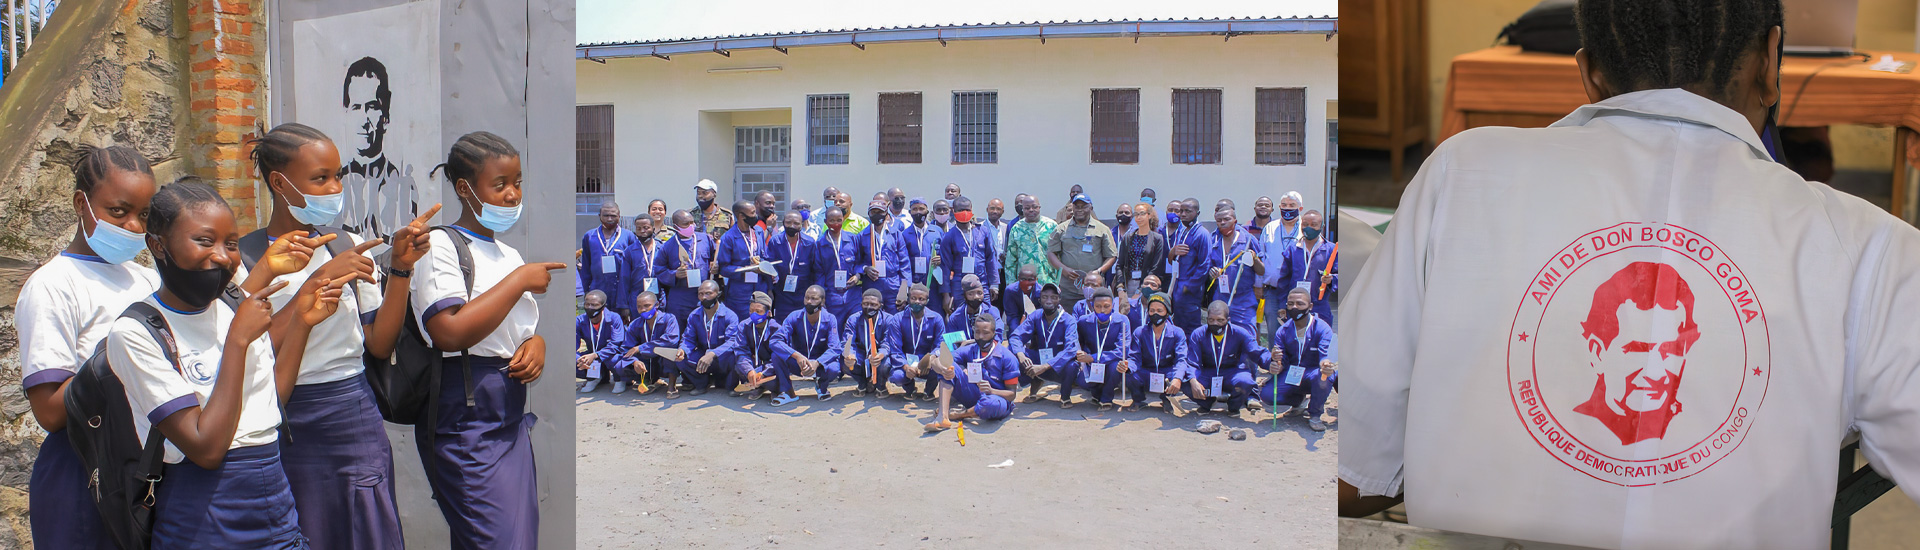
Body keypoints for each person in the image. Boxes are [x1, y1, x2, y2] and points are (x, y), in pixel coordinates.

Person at [1340, 2, 1920, 546]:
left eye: (1672, 347)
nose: (1658, 368)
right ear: (1771, 64)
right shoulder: (1867, 247)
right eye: (1639, 346)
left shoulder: (1461, 174)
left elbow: (1356, 471)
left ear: (1590, 74)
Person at [107, 180, 341, 547]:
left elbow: (271, 402)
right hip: (203, 512)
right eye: (204, 241)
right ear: (158, 245)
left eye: (231, 244)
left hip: (274, 498)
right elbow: (207, 449)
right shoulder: (136, 332)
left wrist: (301, 324)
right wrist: (237, 341)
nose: (221, 256)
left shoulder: (235, 304)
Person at [243, 124, 434, 548]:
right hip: (282, 418)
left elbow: (379, 343)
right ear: (280, 183)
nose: (334, 188)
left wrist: (401, 268)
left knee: (366, 526)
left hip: (352, 413)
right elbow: (247, 348)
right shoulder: (248, 259)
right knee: (301, 527)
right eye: (320, 178)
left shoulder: (346, 244)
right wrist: (317, 283)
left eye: (337, 176)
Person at [410, 132, 557, 547]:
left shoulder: (508, 254)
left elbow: (513, 330)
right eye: (500, 184)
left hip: (507, 415)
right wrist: (520, 281)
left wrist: (536, 344)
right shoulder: (441, 246)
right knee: (496, 540)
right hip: (465, 418)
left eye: (517, 182)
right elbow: (448, 331)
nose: (513, 194)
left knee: (513, 539)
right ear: (465, 188)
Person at [18, 145, 161, 549]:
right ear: (82, 204)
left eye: (144, 215)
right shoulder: (53, 285)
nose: (133, 226)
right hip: (84, 472)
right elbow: (49, 411)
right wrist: (119, 358)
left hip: (143, 466)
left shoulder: (147, 280)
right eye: (118, 211)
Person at [341, 56, 417, 240]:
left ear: (386, 115)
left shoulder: (402, 186)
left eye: (372, 107)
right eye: (356, 107)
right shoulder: (335, 184)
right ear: (346, 113)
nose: (364, 120)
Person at [920, 313, 1022, 433]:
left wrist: (991, 390)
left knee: (990, 404)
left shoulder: (1007, 357)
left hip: (996, 399)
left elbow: (1011, 394)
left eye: (985, 333)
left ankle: (960, 415)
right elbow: (939, 360)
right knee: (949, 366)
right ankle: (943, 417)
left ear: (994, 333)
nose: (981, 336)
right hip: (973, 394)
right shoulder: (970, 349)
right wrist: (943, 370)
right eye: (977, 332)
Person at [1260, 287, 1334, 431]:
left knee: (1324, 376)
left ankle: (1315, 414)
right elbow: (1281, 360)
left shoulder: (1322, 328)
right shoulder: (1283, 331)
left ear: (1310, 306)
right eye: (1290, 304)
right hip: (1292, 373)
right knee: (1267, 395)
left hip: (1313, 372)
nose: (1294, 307)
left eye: (1300, 304)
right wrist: (1276, 364)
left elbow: (1325, 355)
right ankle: (1299, 401)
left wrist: (1325, 364)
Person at [1183, 301, 1266, 416]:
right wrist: (1193, 380)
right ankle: (1207, 402)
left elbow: (1256, 351)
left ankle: (1234, 406)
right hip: (1208, 373)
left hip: (1232, 372)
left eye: (1220, 320)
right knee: (1185, 381)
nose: (1215, 323)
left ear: (1228, 320)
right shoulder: (1198, 334)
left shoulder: (1240, 333)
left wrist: (1271, 361)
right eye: (1211, 320)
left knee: (1245, 381)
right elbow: (1192, 362)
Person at [1010, 283, 1082, 407]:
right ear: (1039, 300)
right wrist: (1021, 355)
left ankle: (1065, 397)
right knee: (1012, 351)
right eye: (1045, 297)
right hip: (1039, 359)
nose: (1049, 301)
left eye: (1053, 297)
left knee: (1072, 365)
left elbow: (1070, 349)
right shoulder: (1035, 315)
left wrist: (1044, 367)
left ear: (1059, 300)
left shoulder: (1069, 320)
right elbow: (1016, 337)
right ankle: (1032, 385)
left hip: (1059, 365)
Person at [1046, 193, 1117, 312]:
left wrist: (1098, 272)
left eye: (1084, 206)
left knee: (1094, 317)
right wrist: (1064, 269)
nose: (1080, 210)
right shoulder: (1061, 229)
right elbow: (1051, 253)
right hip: (1068, 288)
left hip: (1094, 287)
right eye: (1077, 206)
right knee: (1068, 318)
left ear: (1091, 208)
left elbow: (1112, 256)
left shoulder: (1102, 229)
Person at [772, 285, 844, 401]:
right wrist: (797, 356)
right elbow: (775, 341)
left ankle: (822, 387)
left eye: (814, 298)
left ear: (822, 301)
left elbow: (835, 348)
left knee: (834, 368)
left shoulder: (830, 319)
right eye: (807, 298)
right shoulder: (794, 316)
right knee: (776, 355)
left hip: (819, 365)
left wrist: (817, 362)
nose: (809, 302)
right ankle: (788, 392)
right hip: (799, 364)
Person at [1128, 293, 1188, 413]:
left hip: (1167, 372)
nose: (1155, 314)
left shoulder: (1177, 332)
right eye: (1152, 310)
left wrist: (1177, 378)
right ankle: (1138, 400)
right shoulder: (1140, 332)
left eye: (1160, 310)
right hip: (1146, 371)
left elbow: (1181, 359)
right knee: (1129, 374)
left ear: (1167, 312)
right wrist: (1127, 366)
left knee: (1182, 375)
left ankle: (1167, 399)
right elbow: (1134, 357)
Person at [1073, 288, 1132, 411]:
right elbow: (1079, 343)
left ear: (1113, 305)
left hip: (1112, 361)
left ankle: (1106, 398)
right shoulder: (1084, 321)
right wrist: (1081, 357)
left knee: (1116, 367)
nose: (1102, 310)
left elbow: (1123, 349)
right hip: (1091, 363)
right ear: (1092, 305)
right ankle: (1096, 393)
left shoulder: (1122, 320)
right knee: (1082, 380)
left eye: (1106, 306)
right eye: (1098, 306)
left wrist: (1093, 357)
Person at [1209, 206, 1265, 333]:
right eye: (1219, 220)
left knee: (1247, 336)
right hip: (1220, 297)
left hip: (1244, 300)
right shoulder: (1213, 240)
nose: (1223, 223)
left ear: (1235, 221)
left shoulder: (1248, 240)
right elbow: (1207, 267)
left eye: (1226, 219)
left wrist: (1254, 258)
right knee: (1220, 335)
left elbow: (1261, 271)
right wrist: (1212, 272)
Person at [581, 200, 640, 319]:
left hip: (620, 291)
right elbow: (586, 266)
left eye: (613, 215)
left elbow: (634, 266)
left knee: (620, 323)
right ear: (599, 216)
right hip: (598, 287)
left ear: (619, 216)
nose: (609, 219)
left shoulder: (628, 236)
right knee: (598, 322)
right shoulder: (590, 236)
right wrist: (586, 290)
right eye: (606, 215)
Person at [939, 196, 999, 312]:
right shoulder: (949, 236)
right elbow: (945, 267)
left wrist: (994, 284)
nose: (965, 213)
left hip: (981, 281)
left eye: (967, 210)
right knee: (961, 314)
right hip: (959, 284)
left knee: (985, 314)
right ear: (953, 211)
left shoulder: (983, 231)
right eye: (961, 210)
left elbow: (991, 259)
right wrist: (946, 295)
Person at [654, 209, 714, 325]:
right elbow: (659, 270)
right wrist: (674, 274)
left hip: (702, 294)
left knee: (702, 328)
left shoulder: (705, 239)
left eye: (692, 222)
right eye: (686, 224)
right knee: (679, 328)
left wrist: (714, 265)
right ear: (676, 227)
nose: (691, 226)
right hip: (680, 296)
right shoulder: (667, 246)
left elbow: (715, 257)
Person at [888, 284, 947, 401]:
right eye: (913, 298)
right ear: (908, 299)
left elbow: (941, 344)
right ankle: (910, 389)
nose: (917, 302)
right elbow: (895, 349)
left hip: (927, 363)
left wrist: (931, 358)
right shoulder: (897, 319)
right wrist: (905, 367)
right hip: (906, 361)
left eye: (921, 299)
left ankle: (929, 391)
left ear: (927, 301)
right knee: (897, 376)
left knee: (940, 367)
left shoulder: (936, 318)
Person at [678, 280, 738, 395]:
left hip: (722, 356)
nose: (704, 297)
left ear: (718, 294)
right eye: (700, 294)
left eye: (708, 293)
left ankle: (731, 386)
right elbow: (688, 338)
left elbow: (732, 341)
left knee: (736, 357)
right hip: (703, 355)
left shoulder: (730, 316)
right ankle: (702, 384)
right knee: (681, 359)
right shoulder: (694, 315)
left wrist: (712, 354)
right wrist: (682, 349)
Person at [1259, 191, 1304, 344]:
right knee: (1274, 333)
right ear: (1279, 207)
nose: (1287, 208)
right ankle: (1275, 359)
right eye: (1284, 205)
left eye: (1292, 205)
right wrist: (1259, 285)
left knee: (1298, 332)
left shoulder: (1306, 228)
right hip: (1272, 291)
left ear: (1300, 208)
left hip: (1298, 292)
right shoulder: (1270, 228)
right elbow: (1261, 257)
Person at [1165, 197, 1216, 329]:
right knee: (1177, 325)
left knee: (1190, 327)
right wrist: (1173, 252)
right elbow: (1174, 259)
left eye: (1187, 211)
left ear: (1197, 213)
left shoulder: (1202, 234)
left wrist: (1189, 287)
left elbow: (1204, 265)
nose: (1183, 214)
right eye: (1181, 211)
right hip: (1177, 285)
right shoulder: (1182, 231)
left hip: (1190, 290)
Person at [727, 292, 787, 403]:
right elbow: (741, 351)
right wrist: (749, 370)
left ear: (769, 313)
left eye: (758, 311)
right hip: (754, 365)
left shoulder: (777, 329)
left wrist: (764, 373)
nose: (754, 315)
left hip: (771, 368)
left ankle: (775, 390)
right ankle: (758, 387)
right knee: (740, 366)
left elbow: (780, 357)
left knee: (773, 378)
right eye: (751, 311)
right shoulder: (744, 326)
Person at [1279, 210, 1336, 325]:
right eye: (1305, 224)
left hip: (1319, 305)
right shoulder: (1293, 249)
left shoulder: (1331, 250)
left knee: (1320, 334)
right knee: (1296, 334)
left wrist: (1332, 279)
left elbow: (1341, 275)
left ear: (1322, 227)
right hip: (1295, 306)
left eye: (1313, 225)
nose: (1308, 228)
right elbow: (1284, 279)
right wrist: (1282, 305)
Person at [716, 200, 771, 317]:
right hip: (739, 291)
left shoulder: (758, 231)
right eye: (752, 213)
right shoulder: (729, 237)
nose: (755, 216)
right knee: (742, 322)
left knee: (760, 320)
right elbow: (724, 268)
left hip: (760, 287)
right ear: (741, 216)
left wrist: (762, 266)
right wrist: (746, 269)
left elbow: (765, 256)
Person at [620, 291, 681, 397]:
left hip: (662, 358)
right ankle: (649, 380)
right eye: (639, 307)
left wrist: (641, 347)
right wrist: (634, 362)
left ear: (656, 305)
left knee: (670, 353)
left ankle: (672, 386)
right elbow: (626, 348)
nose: (643, 310)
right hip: (646, 360)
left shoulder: (669, 319)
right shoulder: (635, 324)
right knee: (620, 362)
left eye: (647, 306)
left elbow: (671, 340)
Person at [841, 289, 896, 397]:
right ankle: (863, 384)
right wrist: (850, 355)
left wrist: (880, 355)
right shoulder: (853, 319)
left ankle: (880, 386)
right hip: (861, 354)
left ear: (880, 305)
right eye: (865, 304)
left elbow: (888, 342)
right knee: (845, 363)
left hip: (880, 355)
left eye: (873, 304)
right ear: (861, 304)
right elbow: (847, 341)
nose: (869, 307)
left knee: (885, 365)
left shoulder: (889, 320)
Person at [855, 201, 908, 314]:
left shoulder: (896, 234)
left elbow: (904, 262)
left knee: (894, 317)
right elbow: (856, 262)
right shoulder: (862, 236)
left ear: (886, 214)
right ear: (869, 214)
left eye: (880, 212)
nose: (877, 215)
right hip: (872, 284)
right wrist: (865, 269)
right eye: (873, 212)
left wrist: (904, 288)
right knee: (872, 316)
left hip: (893, 284)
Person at [813, 206, 862, 321]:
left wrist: (858, 275)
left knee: (856, 325)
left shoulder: (853, 239)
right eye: (832, 221)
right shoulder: (820, 244)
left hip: (853, 294)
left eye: (839, 220)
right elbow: (818, 273)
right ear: (825, 222)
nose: (836, 224)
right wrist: (822, 296)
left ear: (843, 220)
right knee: (835, 326)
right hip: (832, 295)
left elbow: (861, 261)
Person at [765, 211, 817, 319]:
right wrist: (770, 290)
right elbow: (769, 267)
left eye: (796, 223)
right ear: (783, 223)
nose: (792, 226)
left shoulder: (810, 243)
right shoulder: (775, 242)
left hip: (803, 293)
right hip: (781, 294)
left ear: (802, 224)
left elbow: (815, 270)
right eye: (788, 222)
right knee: (782, 324)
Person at [1003, 194, 1059, 292]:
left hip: (1049, 281)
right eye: (1027, 208)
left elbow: (1059, 255)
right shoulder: (1016, 228)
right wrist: (1011, 286)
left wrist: (1058, 282)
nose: (1031, 210)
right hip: (1024, 284)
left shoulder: (1051, 226)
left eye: (1034, 207)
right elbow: (1011, 261)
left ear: (1039, 207)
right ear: (1022, 209)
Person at [575, 290, 627, 393]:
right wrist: (579, 359)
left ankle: (619, 379)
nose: (590, 308)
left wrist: (596, 355)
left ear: (603, 306)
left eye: (594, 305)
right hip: (592, 355)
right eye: (587, 304)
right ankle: (594, 378)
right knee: (571, 360)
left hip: (611, 354)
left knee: (615, 360)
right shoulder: (579, 321)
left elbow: (616, 344)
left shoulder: (614, 318)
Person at [900, 198, 945, 311]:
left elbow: (946, 254)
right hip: (914, 283)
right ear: (910, 212)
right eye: (914, 209)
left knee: (935, 313)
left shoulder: (937, 231)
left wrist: (941, 259)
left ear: (927, 211)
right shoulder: (905, 234)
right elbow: (903, 261)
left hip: (934, 282)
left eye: (921, 209)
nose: (918, 212)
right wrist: (908, 284)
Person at [1114, 202, 1168, 298]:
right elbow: (1120, 265)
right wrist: (1120, 288)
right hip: (1128, 284)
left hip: (1147, 284)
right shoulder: (1128, 238)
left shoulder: (1157, 238)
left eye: (1142, 214)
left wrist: (1140, 289)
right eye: (1136, 214)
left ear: (1149, 215)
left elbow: (1156, 267)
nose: (1139, 217)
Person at [944, 275, 1003, 340]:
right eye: (970, 294)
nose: (976, 297)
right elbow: (953, 343)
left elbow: (998, 337)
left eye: (979, 293)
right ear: (964, 296)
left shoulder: (992, 312)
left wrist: (969, 343)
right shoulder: (955, 317)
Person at [626, 213, 665, 305]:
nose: (642, 231)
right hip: (637, 298)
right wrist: (624, 305)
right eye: (638, 228)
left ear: (653, 229)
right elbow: (624, 278)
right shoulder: (629, 251)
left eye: (646, 228)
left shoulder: (662, 248)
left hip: (659, 297)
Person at [984, 197, 1012, 303]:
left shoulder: (1006, 228)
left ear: (1002, 212)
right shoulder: (979, 228)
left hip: (1003, 273)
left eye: (998, 209)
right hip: (987, 273)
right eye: (992, 208)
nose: (995, 211)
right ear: (987, 210)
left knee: (1003, 303)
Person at [1001, 265, 1040, 337]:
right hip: (1016, 326)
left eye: (1030, 280)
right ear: (1018, 278)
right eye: (1023, 279)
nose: (1026, 282)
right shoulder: (1010, 291)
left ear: (1036, 279)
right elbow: (1012, 316)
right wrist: (1017, 335)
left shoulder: (1041, 292)